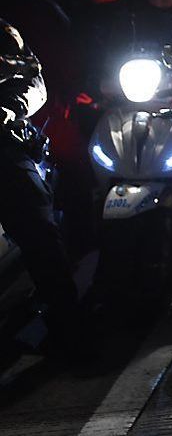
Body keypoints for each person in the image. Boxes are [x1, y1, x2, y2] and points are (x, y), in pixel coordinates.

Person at [1, 18, 89, 358]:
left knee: (40, 236)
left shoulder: (4, 35)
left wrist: (8, 110)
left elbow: (32, 81)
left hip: (3, 146)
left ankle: (71, 333)